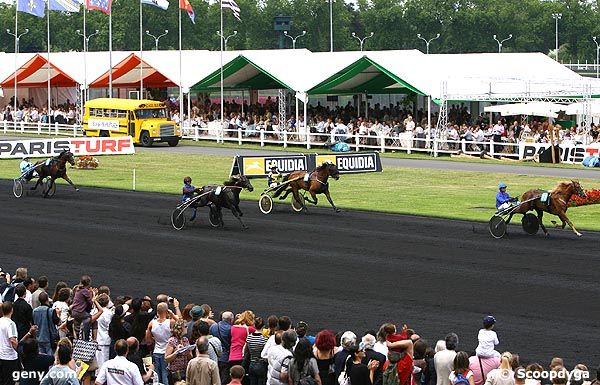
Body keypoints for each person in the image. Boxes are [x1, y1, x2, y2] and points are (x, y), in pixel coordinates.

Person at [165, 319, 193, 384]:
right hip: (175, 372)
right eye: (185, 327)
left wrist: (187, 351)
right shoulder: (172, 341)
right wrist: (176, 352)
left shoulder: (185, 340)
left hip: (185, 370)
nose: (187, 328)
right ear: (180, 329)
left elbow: (190, 357)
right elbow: (166, 359)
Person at [0, 302, 20, 385]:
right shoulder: (11, 324)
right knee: (9, 381)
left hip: (1, 354)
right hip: (9, 356)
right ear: (12, 310)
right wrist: (19, 351)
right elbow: (12, 340)